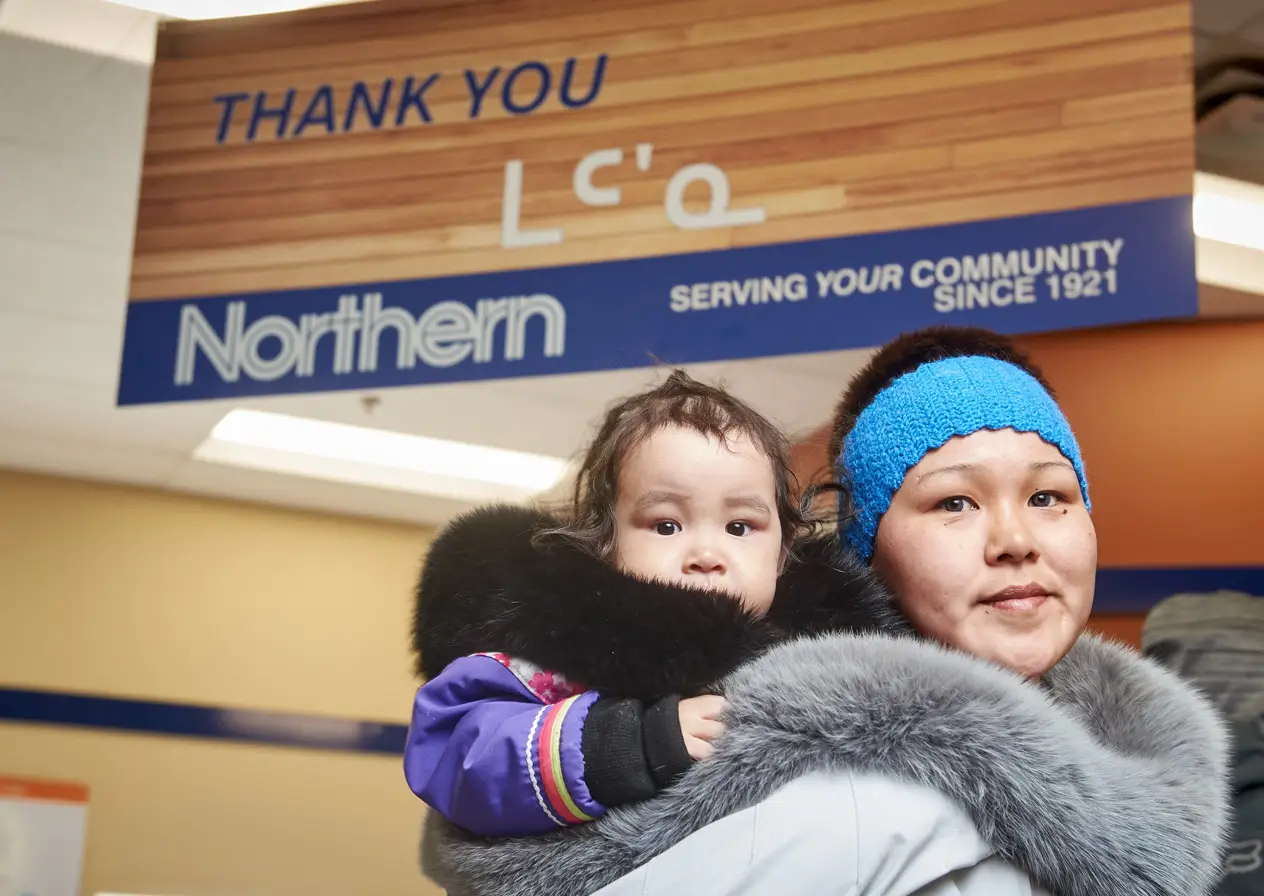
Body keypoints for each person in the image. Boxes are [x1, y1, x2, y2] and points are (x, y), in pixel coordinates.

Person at [416, 327, 1231, 896]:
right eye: (953, 504)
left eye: (1051, 495)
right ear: (863, 548)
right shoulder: (803, 763)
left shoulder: (1141, 753)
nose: (1014, 538)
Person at [404, 370, 899, 837]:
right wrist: (633, 743)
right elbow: (453, 752)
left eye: (740, 527)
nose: (707, 554)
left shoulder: (823, 662)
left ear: (783, 551)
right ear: (605, 544)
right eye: (667, 525)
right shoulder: (559, 652)